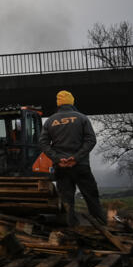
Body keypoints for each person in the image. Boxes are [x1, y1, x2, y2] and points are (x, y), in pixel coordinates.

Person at [38, 90, 107, 225]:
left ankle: (69, 229)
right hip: (81, 166)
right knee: (91, 196)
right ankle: (102, 225)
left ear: (58, 104)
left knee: (66, 201)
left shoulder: (50, 121)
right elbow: (91, 140)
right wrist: (76, 158)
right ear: (71, 102)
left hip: (61, 168)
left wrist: (58, 159)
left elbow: (43, 143)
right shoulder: (82, 118)